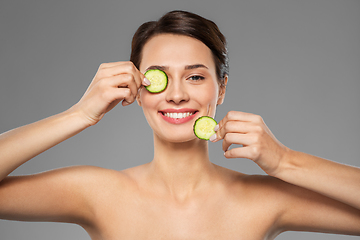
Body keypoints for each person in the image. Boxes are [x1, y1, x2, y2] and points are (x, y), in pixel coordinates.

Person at [0, 10, 359, 240]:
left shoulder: (264, 200)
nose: (175, 95)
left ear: (221, 90)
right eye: (159, 78)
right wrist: (79, 114)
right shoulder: (98, 194)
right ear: (138, 89)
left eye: (195, 77)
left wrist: (284, 162)